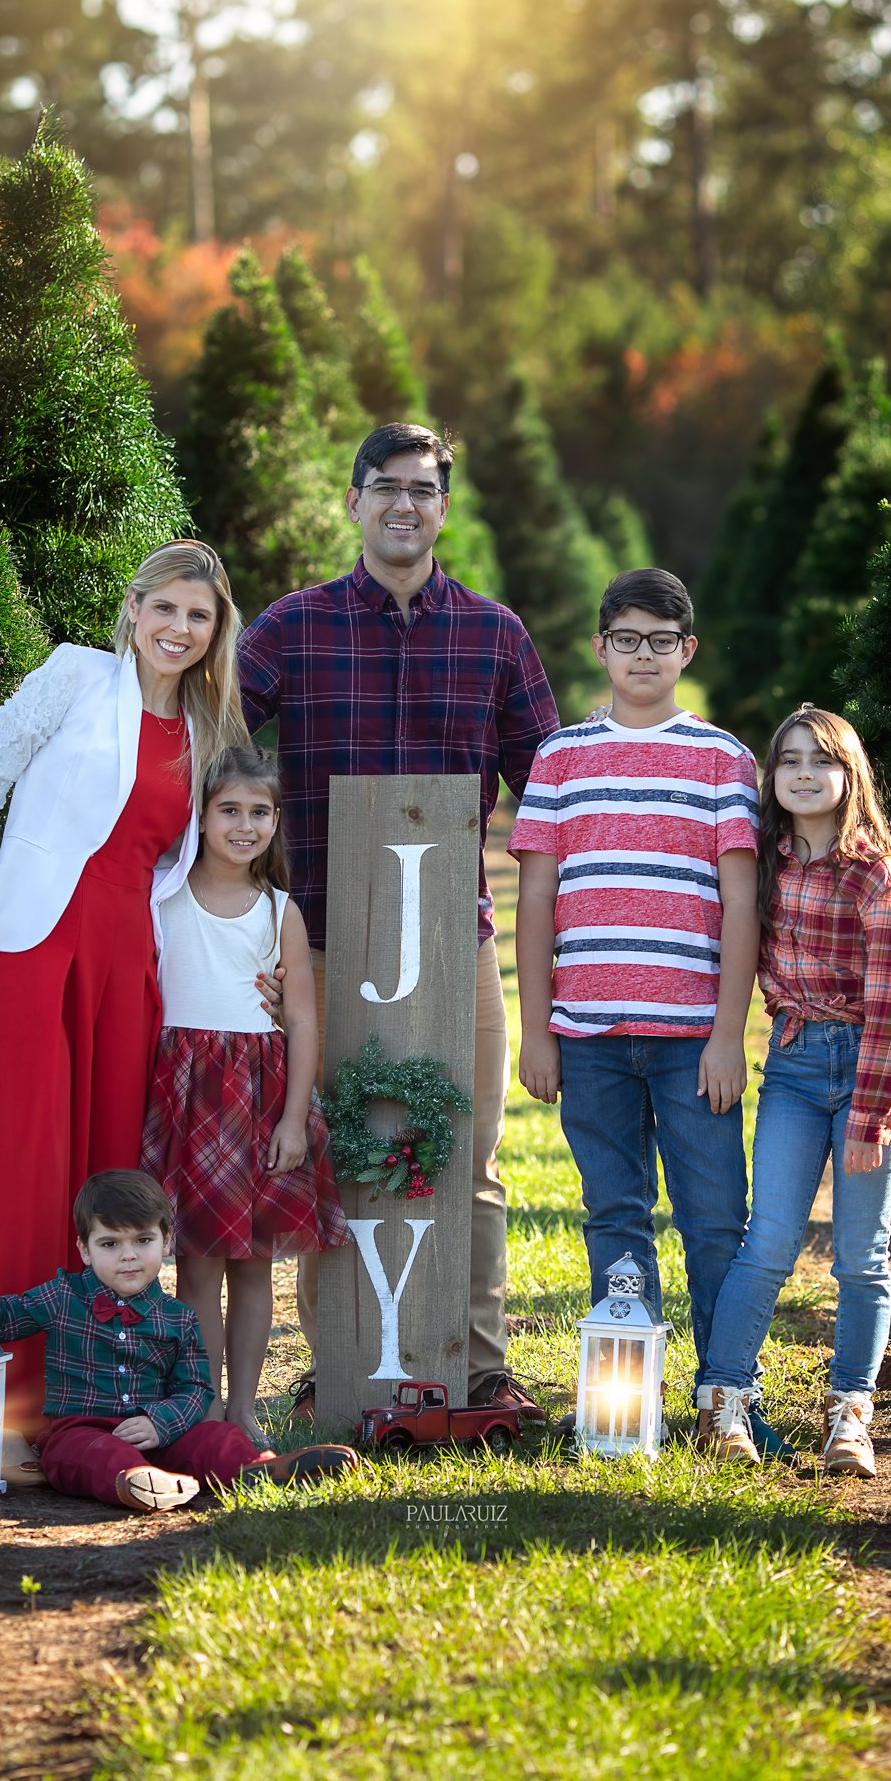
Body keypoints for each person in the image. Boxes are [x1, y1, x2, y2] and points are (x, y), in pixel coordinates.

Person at [238, 421, 560, 1423]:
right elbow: (212, 758)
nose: (404, 504)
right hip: (323, 943)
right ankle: (341, 1362)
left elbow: (545, 789)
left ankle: (476, 1367)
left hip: (451, 947)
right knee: (337, 1155)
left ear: (445, 507)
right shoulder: (291, 629)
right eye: (385, 487)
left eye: (423, 488)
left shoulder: (495, 634)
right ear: (354, 501)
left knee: (468, 1160)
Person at [0, 540, 248, 1446]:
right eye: (167, 610)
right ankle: (14, 1405)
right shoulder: (74, 677)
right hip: (34, 939)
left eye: (200, 618)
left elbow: (198, 868)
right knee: (26, 1159)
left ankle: (96, 1402)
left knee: (111, 1169)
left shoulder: (205, 730)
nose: (180, 630)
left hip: (129, 955)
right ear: (135, 607)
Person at [511, 566, 760, 1384]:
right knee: (614, 1214)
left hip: (693, 1043)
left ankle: (725, 1393)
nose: (642, 656)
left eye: (660, 641)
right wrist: (536, 1032)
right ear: (600, 647)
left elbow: (739, 908)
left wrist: (729, 1036)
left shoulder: (722, 760)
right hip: (587, 1038)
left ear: (685, 650)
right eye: (626, 640)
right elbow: (537, 902)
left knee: (714, 1219)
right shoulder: (561, 758)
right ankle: (626, 1399)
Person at [694, 707, 891, 1479]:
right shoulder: (767, 864)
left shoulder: (872, 875)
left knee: (861, 1258)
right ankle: (723, 1403)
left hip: (866, 1066)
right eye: (786, 759)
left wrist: (871, 1113)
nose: (801, 773)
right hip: (793, 1065)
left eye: (819, 760)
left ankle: (850, 1416)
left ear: (847, 775)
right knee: (767, 1244)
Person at [140, 747, 347, 1448]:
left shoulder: (278, 909)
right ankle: (198, 1401)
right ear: (199, 816)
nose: (244, 825)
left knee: (252, 1262)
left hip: (255, 1094)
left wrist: (294, 1117)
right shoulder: (161, 894)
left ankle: (243, 1406)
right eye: (229, 809)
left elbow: (302, 1019)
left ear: (276, 823)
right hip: (186, 1092)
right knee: (196, 1261)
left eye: (260, 812)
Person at [0, 1171, 361, 1510]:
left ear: (167, 1242)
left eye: (143, 1241)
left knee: (216, 1437)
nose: (128, 1255)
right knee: (91, 1455)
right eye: (110, 1244)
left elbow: (196, 1389)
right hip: (80, 1430)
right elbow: (5, 1321)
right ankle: (138, 1484)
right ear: (85, 1250)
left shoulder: (178, 1318)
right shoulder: (61, 1296)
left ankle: (259, 1470)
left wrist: (162, 1423)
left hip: (160, 1434)